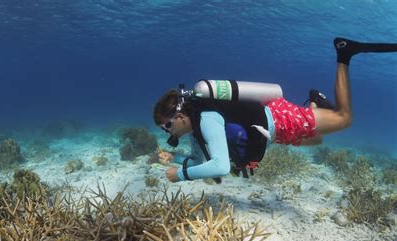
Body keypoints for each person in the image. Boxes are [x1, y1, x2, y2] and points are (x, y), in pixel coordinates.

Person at [153, 37, 397, 183]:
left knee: (344, 119)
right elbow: (198, 161)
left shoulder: (206, 118)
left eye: (167, 126)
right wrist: (174, 159)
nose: (168, 133)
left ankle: (344, 53)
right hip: (274, 134)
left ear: (179, 115)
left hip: (280, 120)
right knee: (318, 140)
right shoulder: (196, 128)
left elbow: (220, 167)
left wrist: (181, 176)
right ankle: (314, 102)